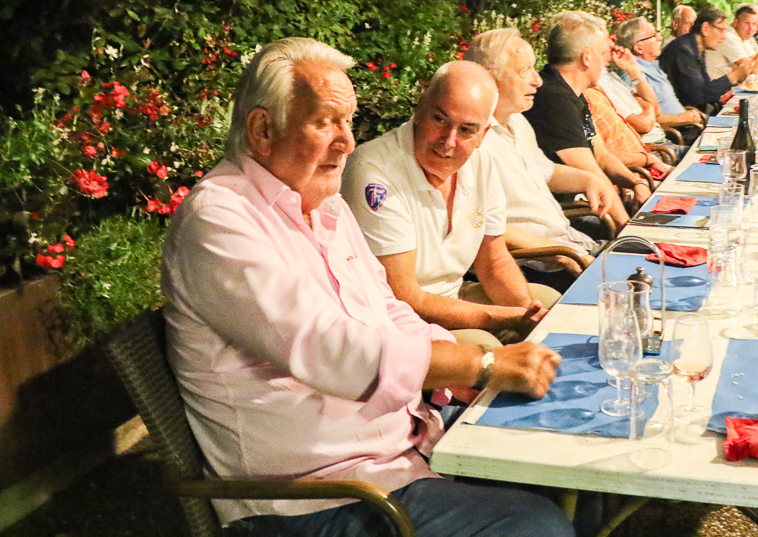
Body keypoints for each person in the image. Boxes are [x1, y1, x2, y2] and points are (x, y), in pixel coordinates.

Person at [162, 38, 571, 537]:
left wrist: (450, 369)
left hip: (398, 448)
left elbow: (388, 308)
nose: (347, 142)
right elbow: (331, 348)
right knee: (537, 525)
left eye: (347, 121)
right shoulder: (219, 219)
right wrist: (480, 363)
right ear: (263, 130)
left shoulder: (322, 204)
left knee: (561, 453)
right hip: (315, 494)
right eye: (325, 123)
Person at [343, 61, 558, 349]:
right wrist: (506, 318)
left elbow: (493, 261)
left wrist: (526, 310)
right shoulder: (373, 172)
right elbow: (405, 297)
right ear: (420, 107)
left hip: (455, 296)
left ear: (483, 134)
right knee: (485, 347)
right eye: (440, 120)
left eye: (467, 130)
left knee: (550, 305)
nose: (448, 141)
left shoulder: (482, 161)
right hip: (397, 322)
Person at [463, 29, 616, 273]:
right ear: (488, 77)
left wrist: (590, 180)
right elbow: (474, 222)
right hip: (539, 264)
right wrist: (558, 252)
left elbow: (546, 171)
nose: (538, 80)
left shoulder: (517, 121)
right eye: (524, 70)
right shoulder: (467, 140)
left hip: (574, 245)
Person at [524, 11, 651, 210]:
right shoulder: (554, 100)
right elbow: (592, 172)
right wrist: (626, 224)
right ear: (587, 58)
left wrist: (636, 183)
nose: (606, 61)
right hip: (566, 212)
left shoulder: (573, 94)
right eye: (603, 53)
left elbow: (601, 156)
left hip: (583, 204)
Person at [658, 7, 758, 114]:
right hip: (684, 117)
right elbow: (698, 95)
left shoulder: (696, 47)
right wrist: (733, 76)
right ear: (705, 28)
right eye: (721, 30)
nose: (724, 37)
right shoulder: (682, 50)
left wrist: (723, 89)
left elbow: (705, 87)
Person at [613, 17, 704, 142]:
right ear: (639, 48)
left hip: (688, 126)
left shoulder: (652, 66)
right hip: (676, 136)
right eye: (653, 35)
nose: (660, 38)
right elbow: (646, 118)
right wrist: (682, 118)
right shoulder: (632, 76)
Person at [706, 4, 758, 79]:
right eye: (746, 23)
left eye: (754, 24)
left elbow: (756, 59)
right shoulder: (729, 37)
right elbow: (752, 69)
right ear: (735, 22)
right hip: (720, 84)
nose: (751, 28)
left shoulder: (743, 36)